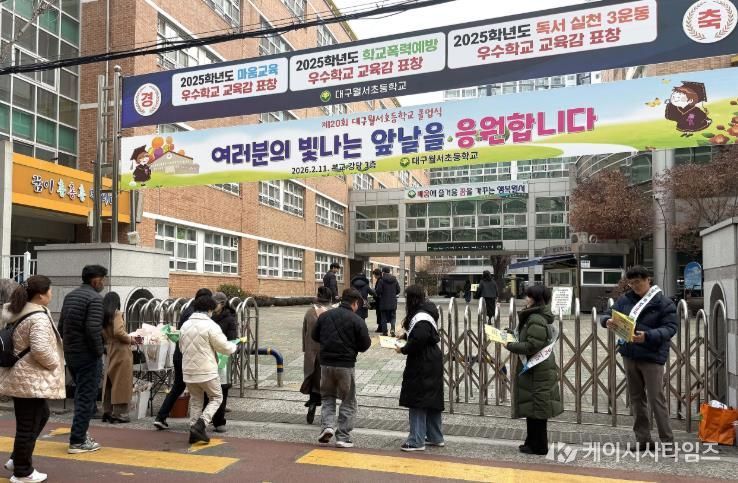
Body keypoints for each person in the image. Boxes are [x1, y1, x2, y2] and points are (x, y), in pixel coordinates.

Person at [601, 266, 677, 450]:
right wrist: (606, 321)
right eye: (631, 283)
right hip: (630, 354)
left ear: (648, 280)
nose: (635, 286)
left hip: (652, 355)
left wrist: (647, 336)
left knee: (656, 399)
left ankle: (667, 441)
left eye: (638, 282)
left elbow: (670, 328)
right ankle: (643, 440)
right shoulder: (625, 299)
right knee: (636, 398)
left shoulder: (663, 302)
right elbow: (608, 313)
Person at [0, 276, 64, 483]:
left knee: (40, 415)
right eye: (50, 290)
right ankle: (23, 472)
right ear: (40, 295)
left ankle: (17, 459)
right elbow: (41, 349)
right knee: (28, 425)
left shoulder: (18, 311)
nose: (51, 294)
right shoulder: (38, 317)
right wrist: (55, 363)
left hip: (21, 376)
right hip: (30, 378)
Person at [504, 284, 562, 456]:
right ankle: (531, 442)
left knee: (538, 409)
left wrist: (510, 345)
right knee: (533, 408)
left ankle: (540, 446)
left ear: (536, 299)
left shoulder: (536, 318)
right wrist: (510, 334)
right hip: (535, 369)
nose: (526, 299)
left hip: (538, 370)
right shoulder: (534, 316)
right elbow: (528, 337)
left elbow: (532, 345)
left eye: (528, 296)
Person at [312, 288, 371, 448]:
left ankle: (327, 427)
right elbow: (365, 345)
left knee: (327, 397)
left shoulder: (325, 316)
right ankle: (343, 437)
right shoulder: (357, 320)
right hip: (345, 365)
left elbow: (315, 336)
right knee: (348, 400)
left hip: (326, 364)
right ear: (355, 303)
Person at [58, 264, 107, 454]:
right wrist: (99, 352)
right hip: (88, 355)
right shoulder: (95, 299)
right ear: (95, 280)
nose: (103, 284)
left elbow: (61, 326)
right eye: (102, 280)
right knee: (86, 397)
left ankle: (81, 434)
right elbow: (93, 330)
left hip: (71, 353)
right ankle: (78, 440)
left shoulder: (70, 296)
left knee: (80, 395)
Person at [179, 295, 237, 444]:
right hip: (207, 371)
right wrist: (234, 346)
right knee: (216, 397)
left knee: (196, 400)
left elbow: (181, 347)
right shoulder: (211, 325)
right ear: (209, 309)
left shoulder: (185, 325)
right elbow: (223, 347)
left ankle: (193, 430)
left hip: (188, 371)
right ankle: (201, 424)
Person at [154, 287, 212, 430]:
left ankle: (161, 417)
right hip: (188, 356)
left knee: (178, 386)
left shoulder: (188, 310)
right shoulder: (195, 315)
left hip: (179, 355)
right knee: (203, 385)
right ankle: (203, 420)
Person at [395, 285, 445, 452]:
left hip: (423, 361)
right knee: (431, 400)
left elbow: (420, 338)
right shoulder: (428, 311)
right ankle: (435, 437)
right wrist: (406, 335)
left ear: (412, 299)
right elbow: (423, 333)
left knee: (417, 399)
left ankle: (416, 440)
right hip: (432, 359)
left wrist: (403, 349)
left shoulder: (420, 316)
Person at [101, 292, 137, 424]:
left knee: (109, 381)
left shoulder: (103, 315)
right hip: (121, 350)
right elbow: (119, 332)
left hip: (109, 348)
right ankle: (119, 413)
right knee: (121, 381)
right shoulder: (117, 314)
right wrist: (131, 339)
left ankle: (107, 411)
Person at [207, 292, 239, 433]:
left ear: (222, 304)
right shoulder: (208, 316)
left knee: (221, 389)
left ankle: (219, 421)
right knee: (207, 388)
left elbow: (232, 339)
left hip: (222, 357)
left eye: (216, 303)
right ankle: (206, 417)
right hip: (208, 356)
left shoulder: (230, 318)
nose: (213, 306)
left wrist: (223, 345)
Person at [301, 286, 333, 424]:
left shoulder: (309, 312)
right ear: (330, 299)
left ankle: (313, 403)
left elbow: (304, 332)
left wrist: (306, 349)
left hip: (311, 352)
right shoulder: (332, 312)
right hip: (326, 352)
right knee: (326, 383)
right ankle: (326, 418)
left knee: (314, 379)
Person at [375, 266, 401, 337]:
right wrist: (393, 294)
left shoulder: (381, 280)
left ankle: (385, 332)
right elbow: (398, 290)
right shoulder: (394, 280)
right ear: (389, 272)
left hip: (383, 302)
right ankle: (392, 330)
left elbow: (378, 291)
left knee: (383, 317)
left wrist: (381, 294)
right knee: (393, 317)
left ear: (383, 272)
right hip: (393, 302)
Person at [371, 268, 383, 333]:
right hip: (381, 300)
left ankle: (380, 328)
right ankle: (381, 327)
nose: (374, 276)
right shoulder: (381, 280)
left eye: (374, 275)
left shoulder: (380, 280)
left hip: (379, 300)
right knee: (380, 314)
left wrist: (374, 292)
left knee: (379, 314)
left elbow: (378, 291)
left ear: (377, 274)